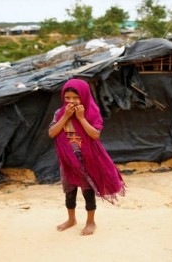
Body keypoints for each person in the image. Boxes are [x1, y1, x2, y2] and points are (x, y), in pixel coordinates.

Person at [48, 78, 125, 236]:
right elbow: (52, 133)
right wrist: (65, 116)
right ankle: (71, 219)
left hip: (87, 159)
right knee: (69, 191)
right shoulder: (59, 113)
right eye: (67, 98)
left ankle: (91, 221)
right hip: (67, 160)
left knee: (87, 191)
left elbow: (95, 135)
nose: (71, 101)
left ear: (84, 96)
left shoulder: (91, 111)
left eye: (76, 98)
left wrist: (81, 117)